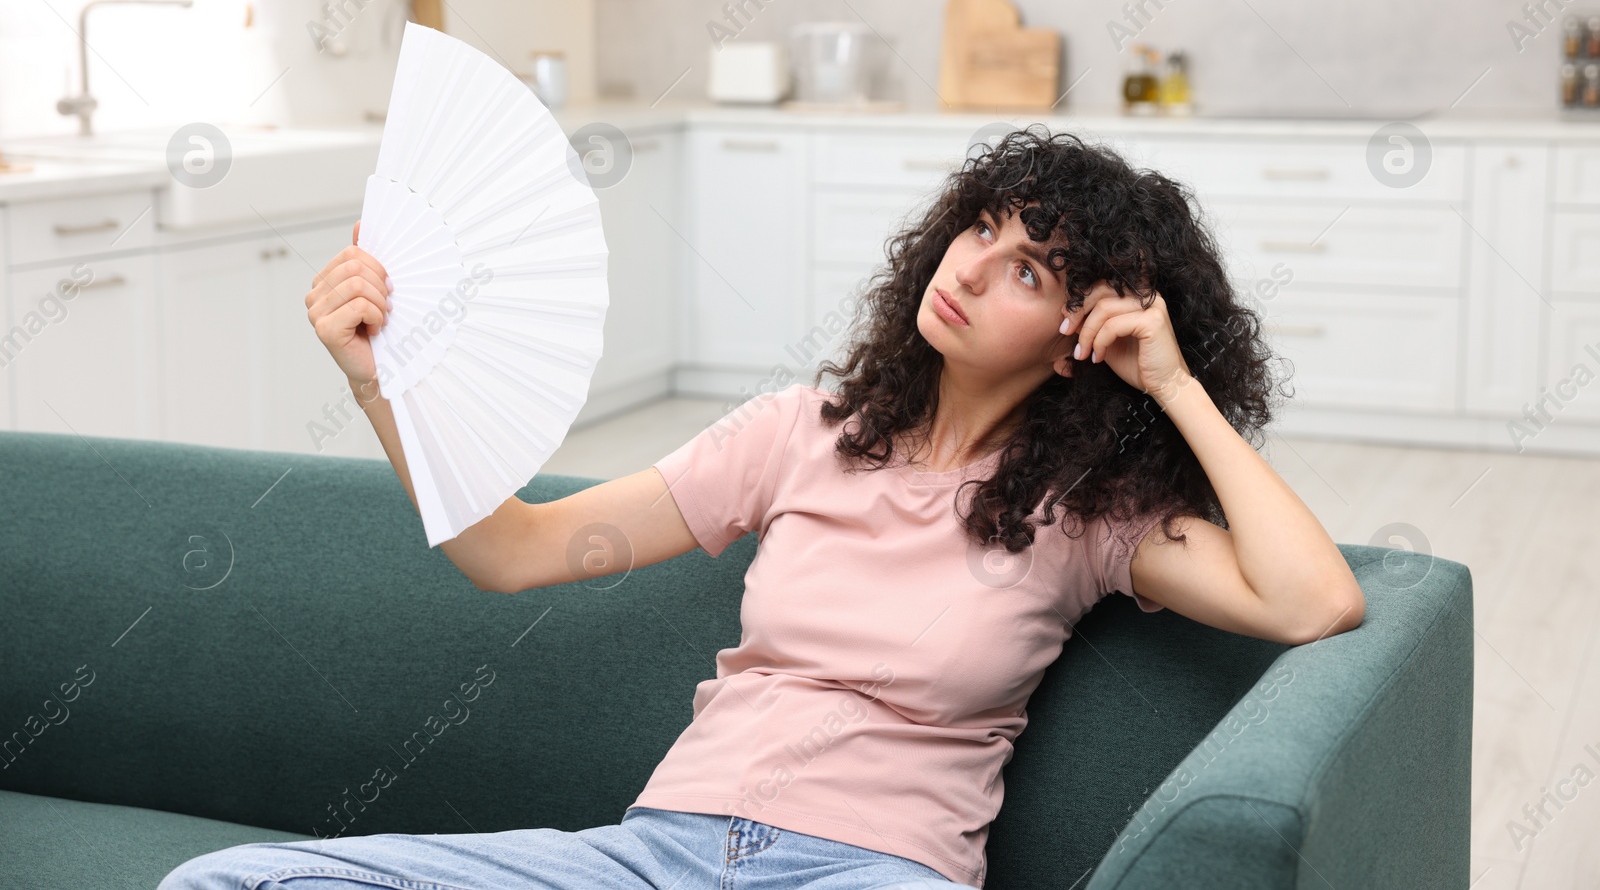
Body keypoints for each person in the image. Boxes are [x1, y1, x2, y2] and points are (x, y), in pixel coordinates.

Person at [158, 126, 1364, 890]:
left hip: (880, 868)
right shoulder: (801, 432)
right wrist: (379, 375)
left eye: (1029, 271)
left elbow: (1313, 598)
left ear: (1075, 339)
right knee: (226, 884)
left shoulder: (1087, 508)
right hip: (661, 849)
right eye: (980, 229)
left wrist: (1169, 382)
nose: (969, 266)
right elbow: (512, 548)